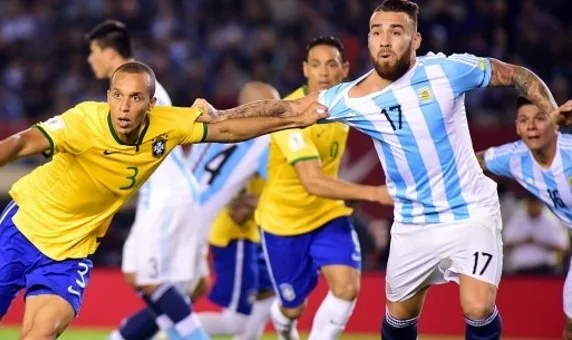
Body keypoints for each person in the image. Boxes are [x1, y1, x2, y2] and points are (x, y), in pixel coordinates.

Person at [0, 61, 329, 340]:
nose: (124, 106)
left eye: (135, 98)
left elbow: (227, 128)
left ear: (151, 104)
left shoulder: (167, 125)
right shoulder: (83, 121)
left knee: (41, 333)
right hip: (24, 228)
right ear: (108, 96)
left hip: (71, 253)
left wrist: (293, 116)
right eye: (117, 96)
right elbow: (21, 142)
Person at [282, 0, 572, 338]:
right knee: (399, 315)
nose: (531, 128)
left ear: (416, 39)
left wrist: (550, 108)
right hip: (415, 221)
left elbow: (514, 73)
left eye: (396, 31)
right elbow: (479, 159)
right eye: (377, 32)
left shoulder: (446, 72)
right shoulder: (511, 157)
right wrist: (213, 124)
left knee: (477, 307)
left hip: (470, 215)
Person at [253, 36, 391, 340]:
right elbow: (312, 181)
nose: (323, 72)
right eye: (315, 65)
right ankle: (283, 322)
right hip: (284, 222)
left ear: (345, 69)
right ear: (305, 70)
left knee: (347, 287)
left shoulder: (346, 103)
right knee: (294, 308)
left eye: (331, 65)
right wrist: (374, 194)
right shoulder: (288, 114)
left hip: (327, 213)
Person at [85, 20, 209, 340]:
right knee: (134, 273)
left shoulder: (139, 89)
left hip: (169, 194)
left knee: (150, 279)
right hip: (157, 194)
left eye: (93, 52)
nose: (90, 59)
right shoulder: (138, 87)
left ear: (110, 53)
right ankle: (130, 335)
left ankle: (194, 336)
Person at [476, 96, 571, 338]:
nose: (531, 126)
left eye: (540, 119)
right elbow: (472, 162)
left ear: (554, 123)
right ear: (517, 128)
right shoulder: (513, 157)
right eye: (524, 120)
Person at [189, 81, 278, 340]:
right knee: (234, 320)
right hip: (231, 231)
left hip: (199, 216)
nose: (279, 112)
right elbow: (282, 184)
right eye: (272, 106)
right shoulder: (263, 140)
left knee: (268, 292)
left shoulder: (215, 130)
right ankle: (167, 331)